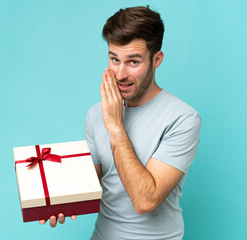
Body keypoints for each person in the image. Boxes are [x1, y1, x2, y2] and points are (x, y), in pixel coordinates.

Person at [40, 6, 201, 239]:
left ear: (157, 60)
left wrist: (116, 126)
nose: (120, 74)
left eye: (133, 62)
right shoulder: (97, 114)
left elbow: (145, 200)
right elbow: (88, 185)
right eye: (114, 59)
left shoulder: (182, 119)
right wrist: (55, 203)